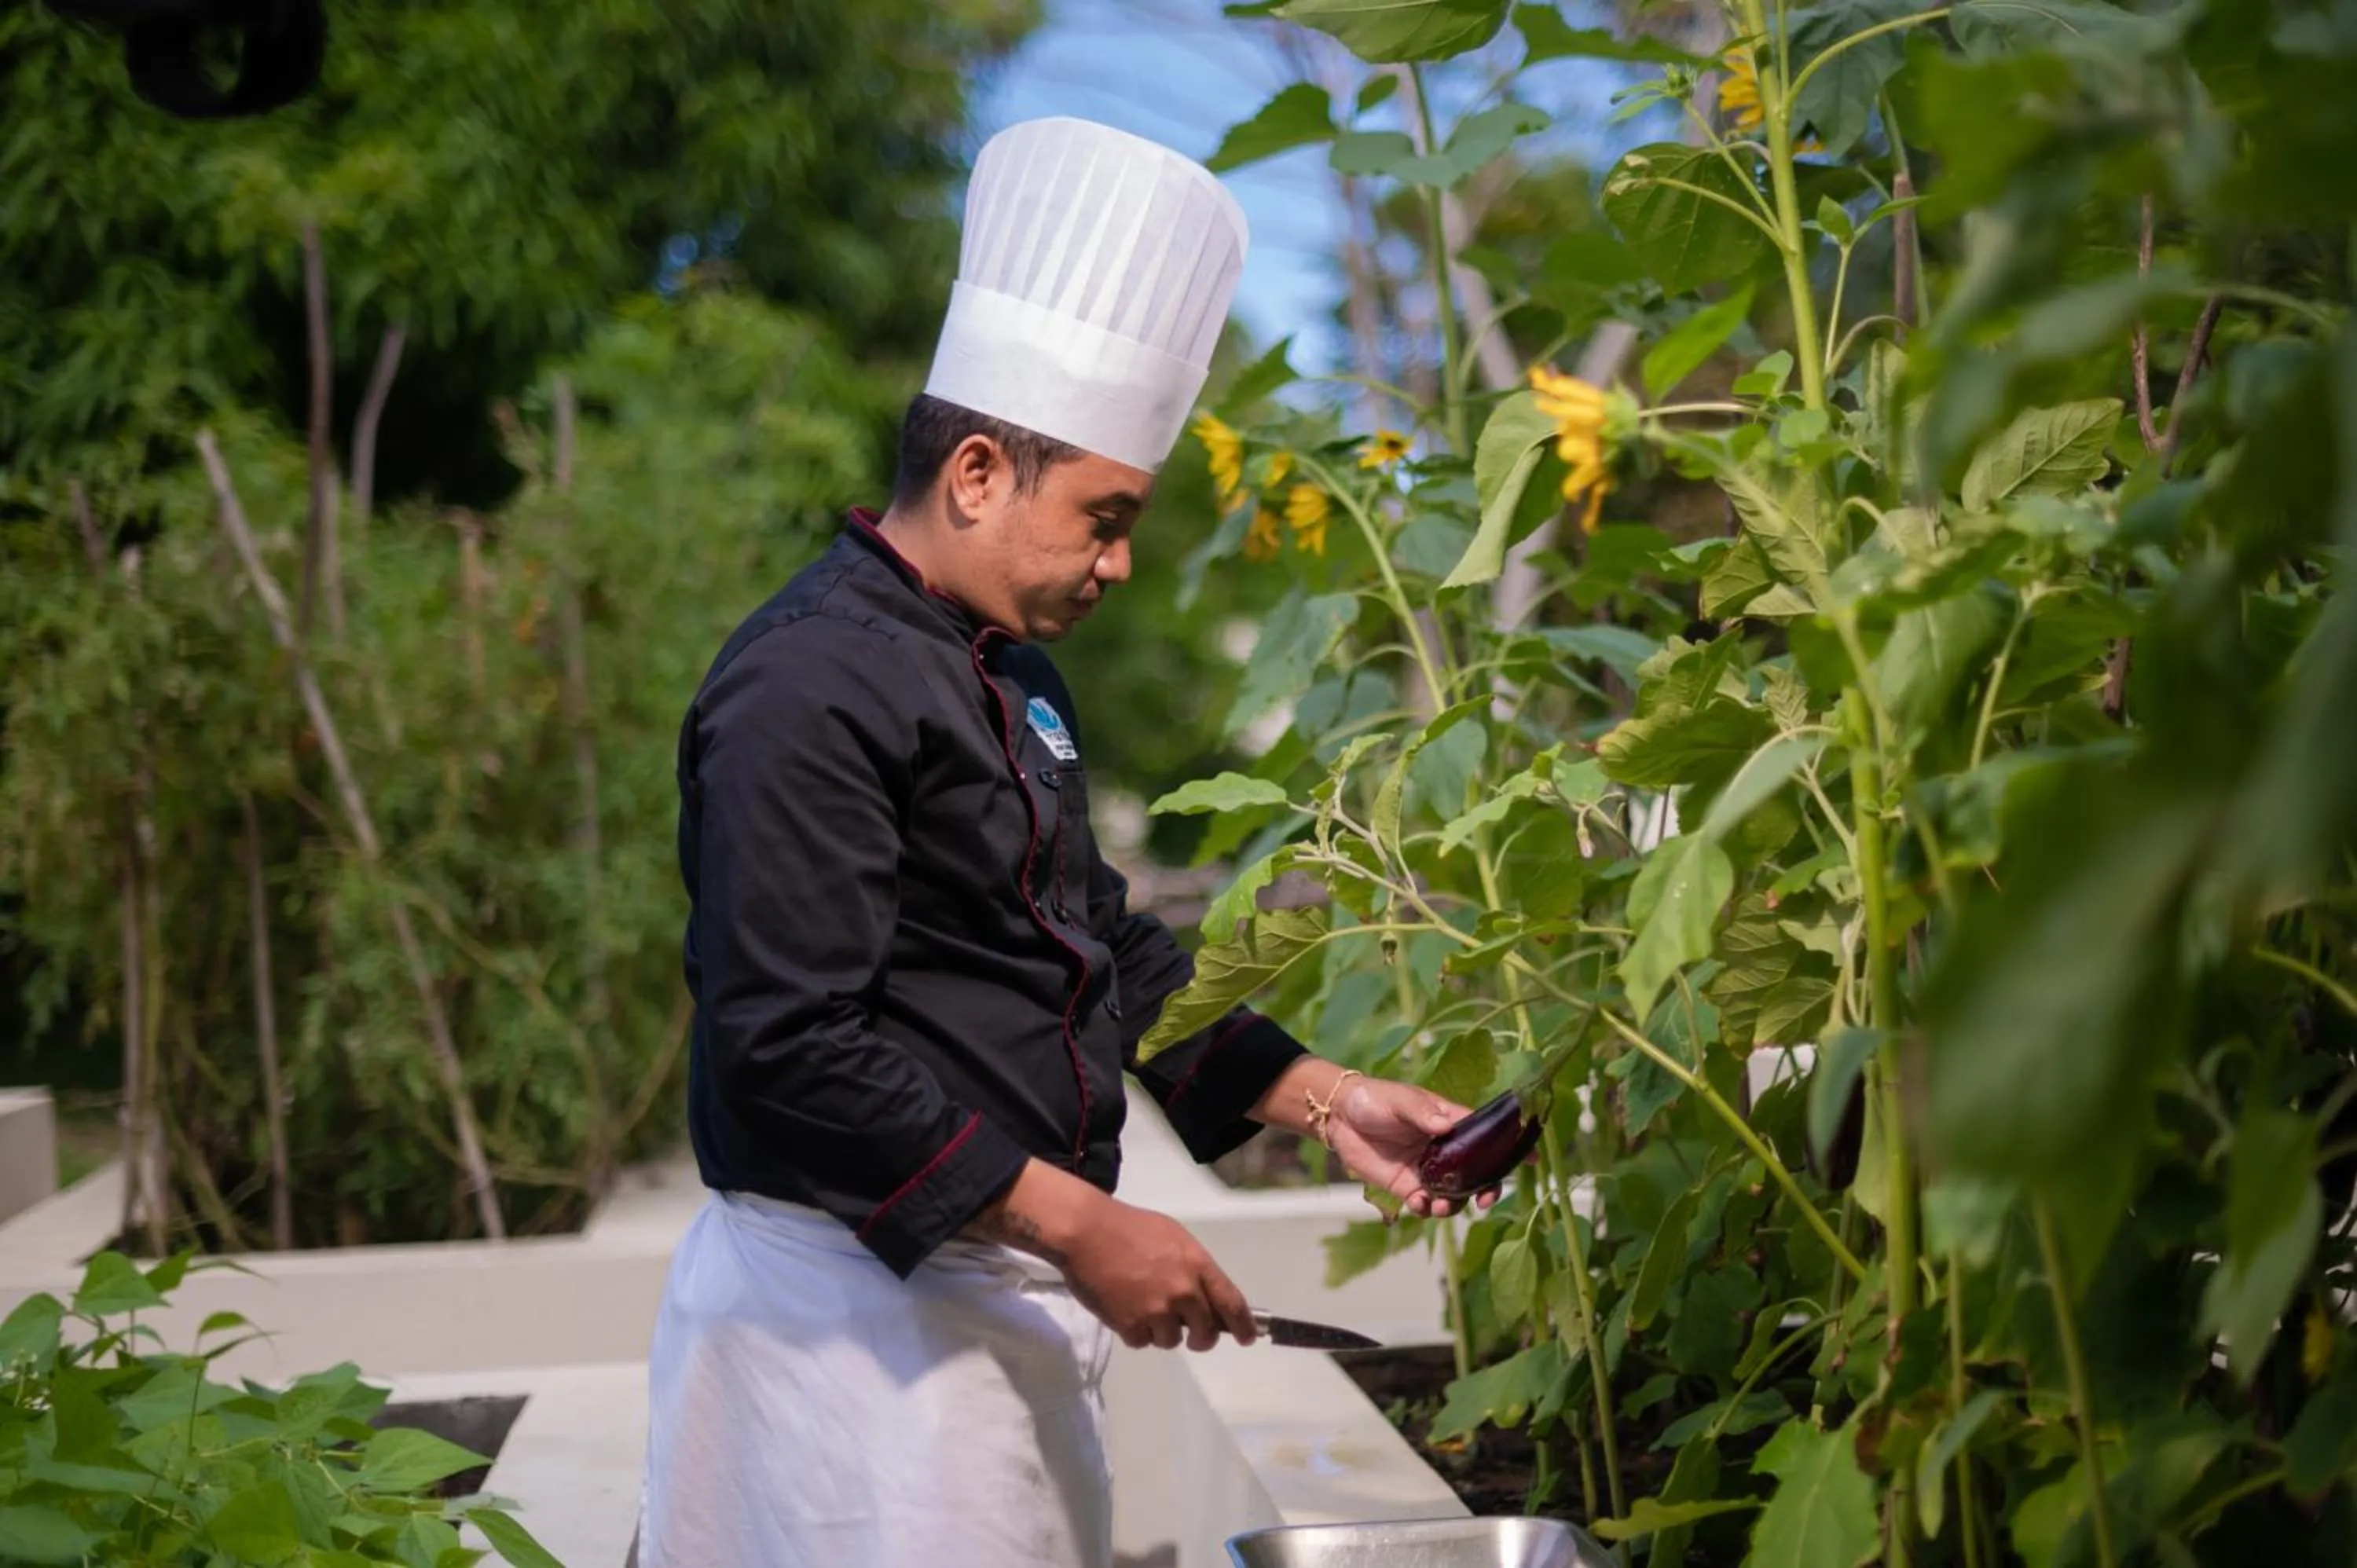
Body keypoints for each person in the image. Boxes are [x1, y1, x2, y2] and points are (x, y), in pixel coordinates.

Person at [632, 115, 1493, 1568]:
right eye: (1103, 518)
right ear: (976, 473)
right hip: (848, 1345)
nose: (1121, 564)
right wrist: (1083, 1225)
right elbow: (783, 1044)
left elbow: (1099, 944)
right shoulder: (806, 682)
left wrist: (1330, 1100)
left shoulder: (1013, 674)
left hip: (981, 1302)